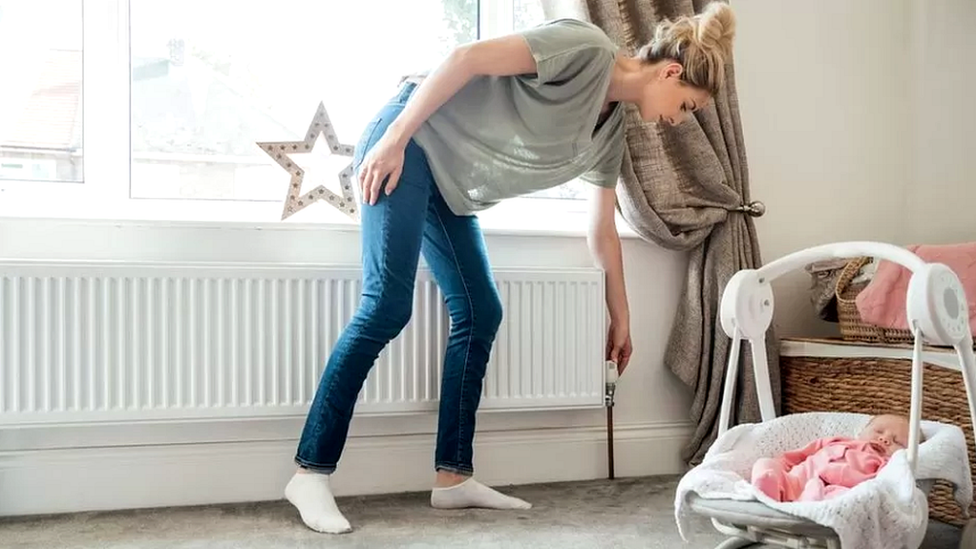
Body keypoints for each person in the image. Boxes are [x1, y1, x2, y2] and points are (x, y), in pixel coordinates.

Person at [284, 1, 738, 534]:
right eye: (685, 106)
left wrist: (622, 316)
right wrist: (394, 138)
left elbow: (602, 228)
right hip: (407, 144)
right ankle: (309, 470)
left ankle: (452, 477)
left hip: (446, 187)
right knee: (386, 305)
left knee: (481, 311)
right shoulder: (586, 49)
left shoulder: (611, 131)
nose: (677, 120)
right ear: (670, 72)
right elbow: (465, 58)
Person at [750, 414, 917, 503]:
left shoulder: (885, 463)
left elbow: (881, 484)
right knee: (765, 463)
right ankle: (768, 489)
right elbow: (802, 454)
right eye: (879, 431)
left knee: (844, 499)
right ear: (861, 432)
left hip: (836, 490)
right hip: (797, 479)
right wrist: (782, 466)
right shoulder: (837, 441)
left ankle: (810, 506)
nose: (885, 439)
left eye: (897, 442)